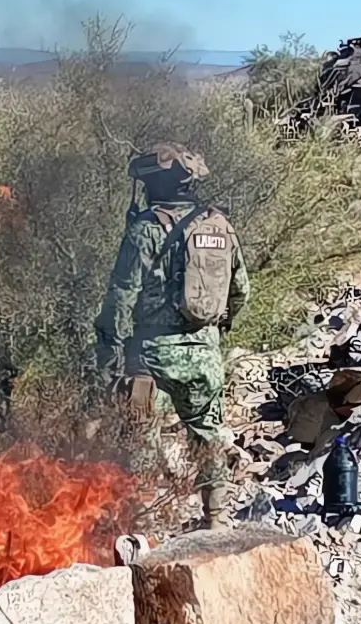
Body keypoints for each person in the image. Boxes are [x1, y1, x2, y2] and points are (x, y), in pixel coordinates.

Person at [94, 143, 251, 529]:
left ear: (155, 185)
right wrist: (211, 334)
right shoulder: (218, 225)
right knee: (207, 435)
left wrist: (108, 353)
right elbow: (241, 291)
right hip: (204, 355)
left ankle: (143, 529)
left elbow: (121, 296)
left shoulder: (145, 229)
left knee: (142, 440)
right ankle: (216, 519)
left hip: (151, 357)